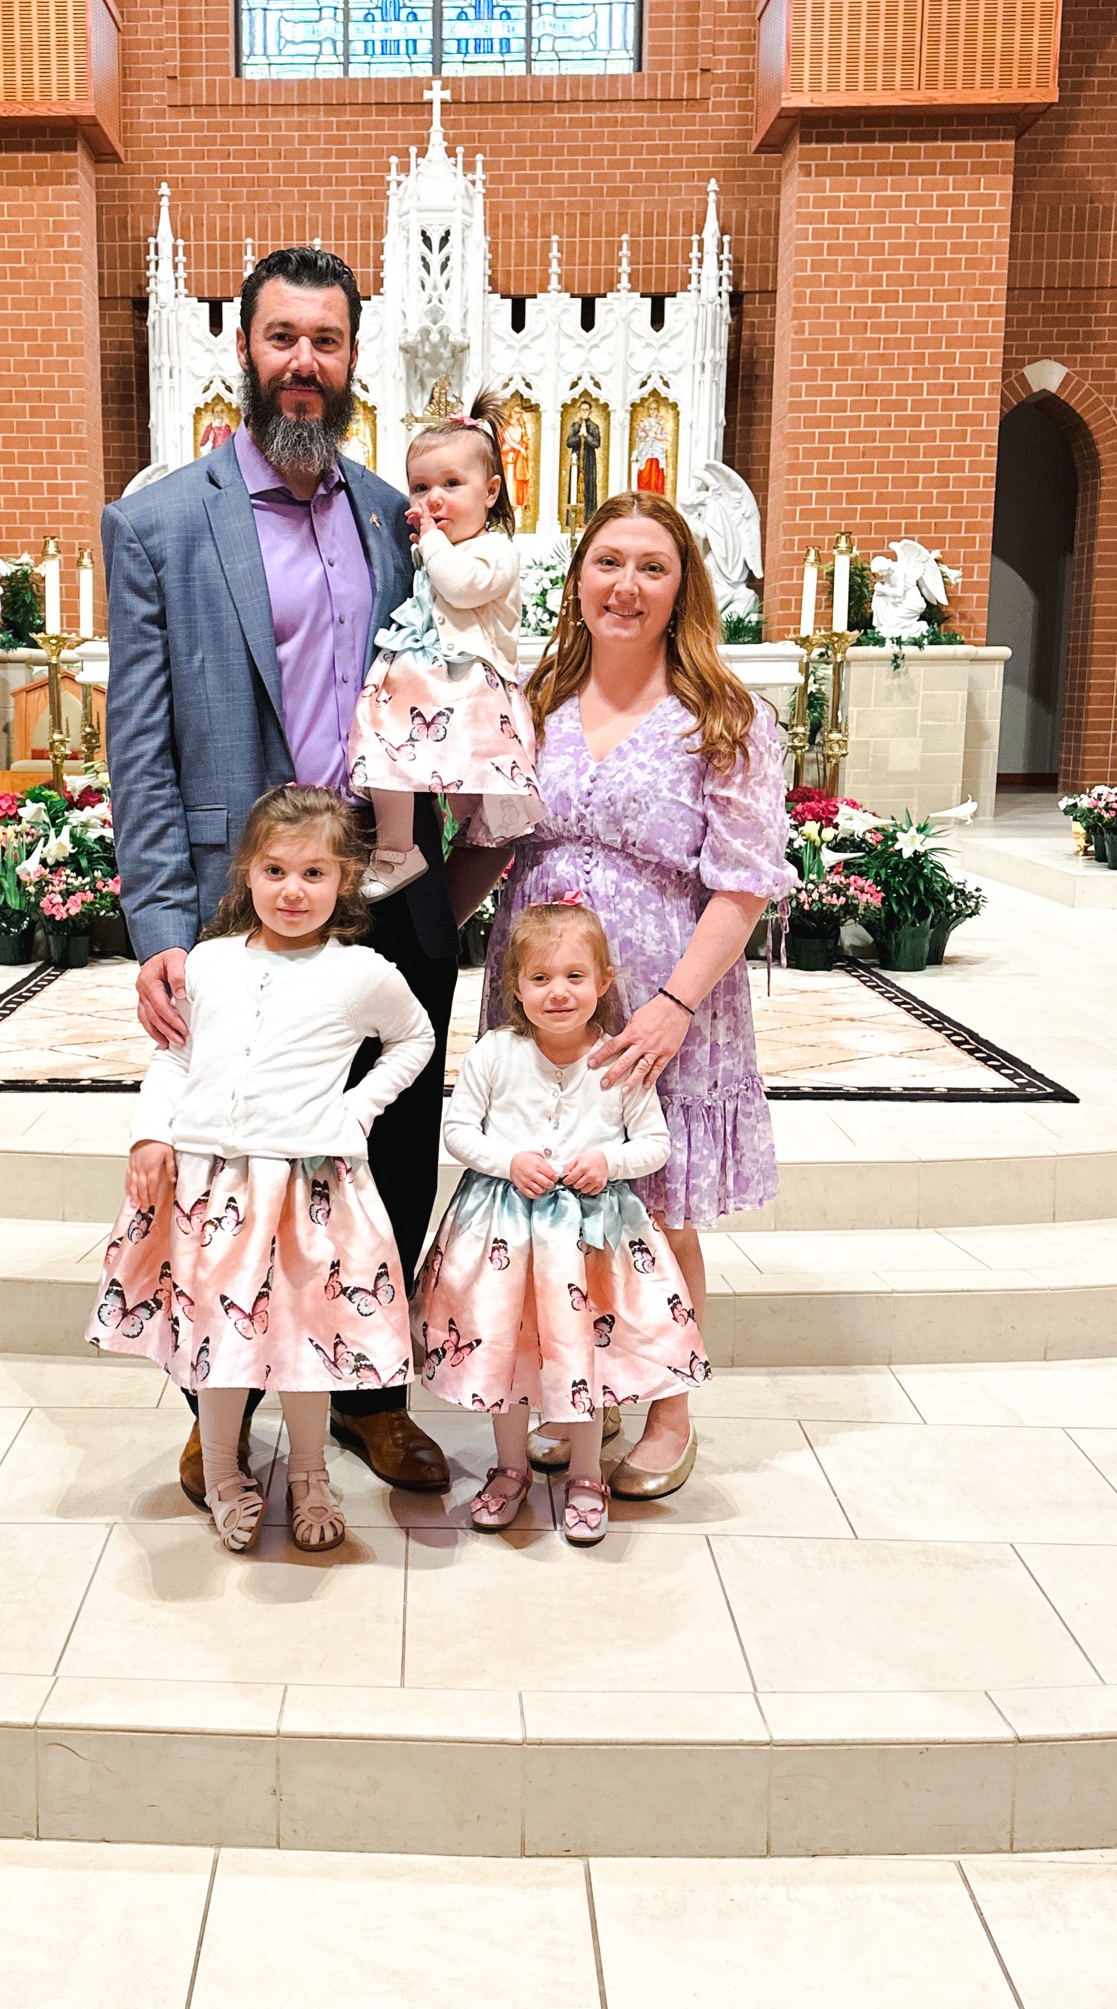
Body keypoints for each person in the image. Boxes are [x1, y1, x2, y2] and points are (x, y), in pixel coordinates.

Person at [102, 244, 457, 1503]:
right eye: (282, 338)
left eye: (327, 340)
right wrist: (154, 921)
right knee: (226, 1166)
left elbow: (447, 690)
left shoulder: (391, 515)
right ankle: (222, 1403)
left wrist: (463, 868)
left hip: (390, 892)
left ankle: (367, 1393)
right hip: (231, 900)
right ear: (244, 351)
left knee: (391, 1148)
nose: (305, 363)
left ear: (356, 356)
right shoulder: (158, 522)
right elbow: (136, 742)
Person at [483, 490, 794, 1495]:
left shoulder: (723, 715)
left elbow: (743, 880)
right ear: (576, 579)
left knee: (656, 1207)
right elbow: (490, 841)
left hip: (666, 992)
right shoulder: (534, 698)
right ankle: (581, 1385)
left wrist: (672, 1004)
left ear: (681, 588)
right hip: (540, 992)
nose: (626, 584)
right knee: (557, 1201)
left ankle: (667, 1404)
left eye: (651, 566)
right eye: (608, 561)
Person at [88, 786, 432, 1555]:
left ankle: (309, 1474)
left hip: (308, 1192)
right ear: (246, 873)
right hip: (214, 1189)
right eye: (275, 870)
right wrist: (151, 1137)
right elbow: (174, 1055)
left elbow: (414, 1039)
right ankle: (223, 1475)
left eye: (315, 873)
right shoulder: (207, 964)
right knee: (218, 1342)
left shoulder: (361, 972)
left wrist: (358, 1110)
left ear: (345, 878)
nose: (292, 890)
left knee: (310, 1338)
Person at [413, 900, 705, 1545]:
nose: (558, 992)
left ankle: (584, 1472)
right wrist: (508, 1159)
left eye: (575, 976)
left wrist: (609, 1159)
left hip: (592, 1242)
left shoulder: (619, 1060)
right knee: (508, 1350)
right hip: (504, 1236)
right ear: (514, 986)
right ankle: (510, 1467)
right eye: (540, 978)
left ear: (604, 981)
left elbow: (654, 1144)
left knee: (586, 1349)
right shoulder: (495, 1053)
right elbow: (459, 1130)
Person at [347, 387, 543, 900]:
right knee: (383, 748)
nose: (433, 499)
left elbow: (460, 585)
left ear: (492, 491)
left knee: (470, 801)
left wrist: (430, 543)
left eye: (452, 484)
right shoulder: (430, 548)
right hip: (427, 681)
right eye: (420, 486)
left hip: (468, 685)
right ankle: (396, 849)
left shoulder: (496, 550)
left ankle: (462, 839)